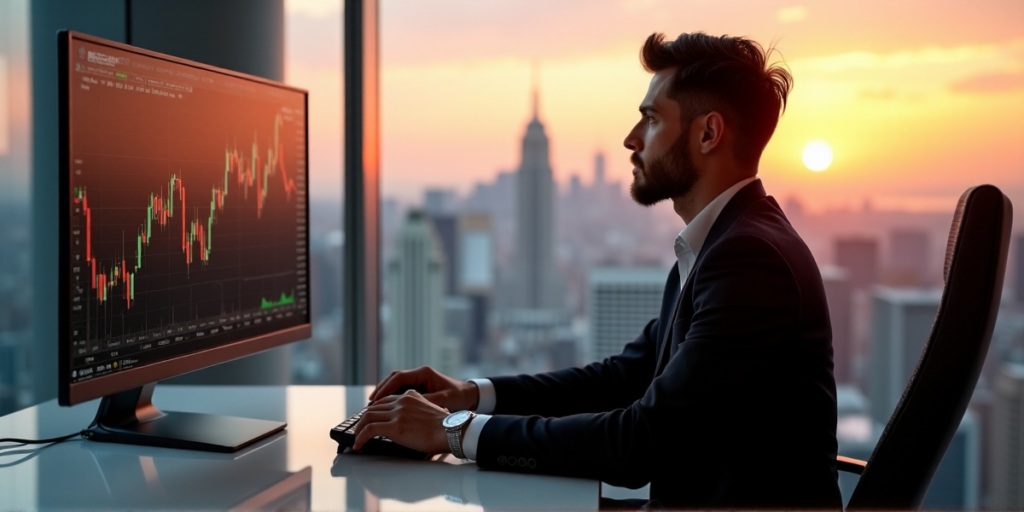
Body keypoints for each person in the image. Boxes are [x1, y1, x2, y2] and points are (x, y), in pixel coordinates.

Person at [351, 31, 843, 509]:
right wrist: (474, 396)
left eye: (651, 119)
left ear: (708, 133)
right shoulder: (718, 244)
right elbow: (624, 378)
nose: (631, 139)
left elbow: (641, 443)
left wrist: (451, 431)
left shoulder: (749, 262)